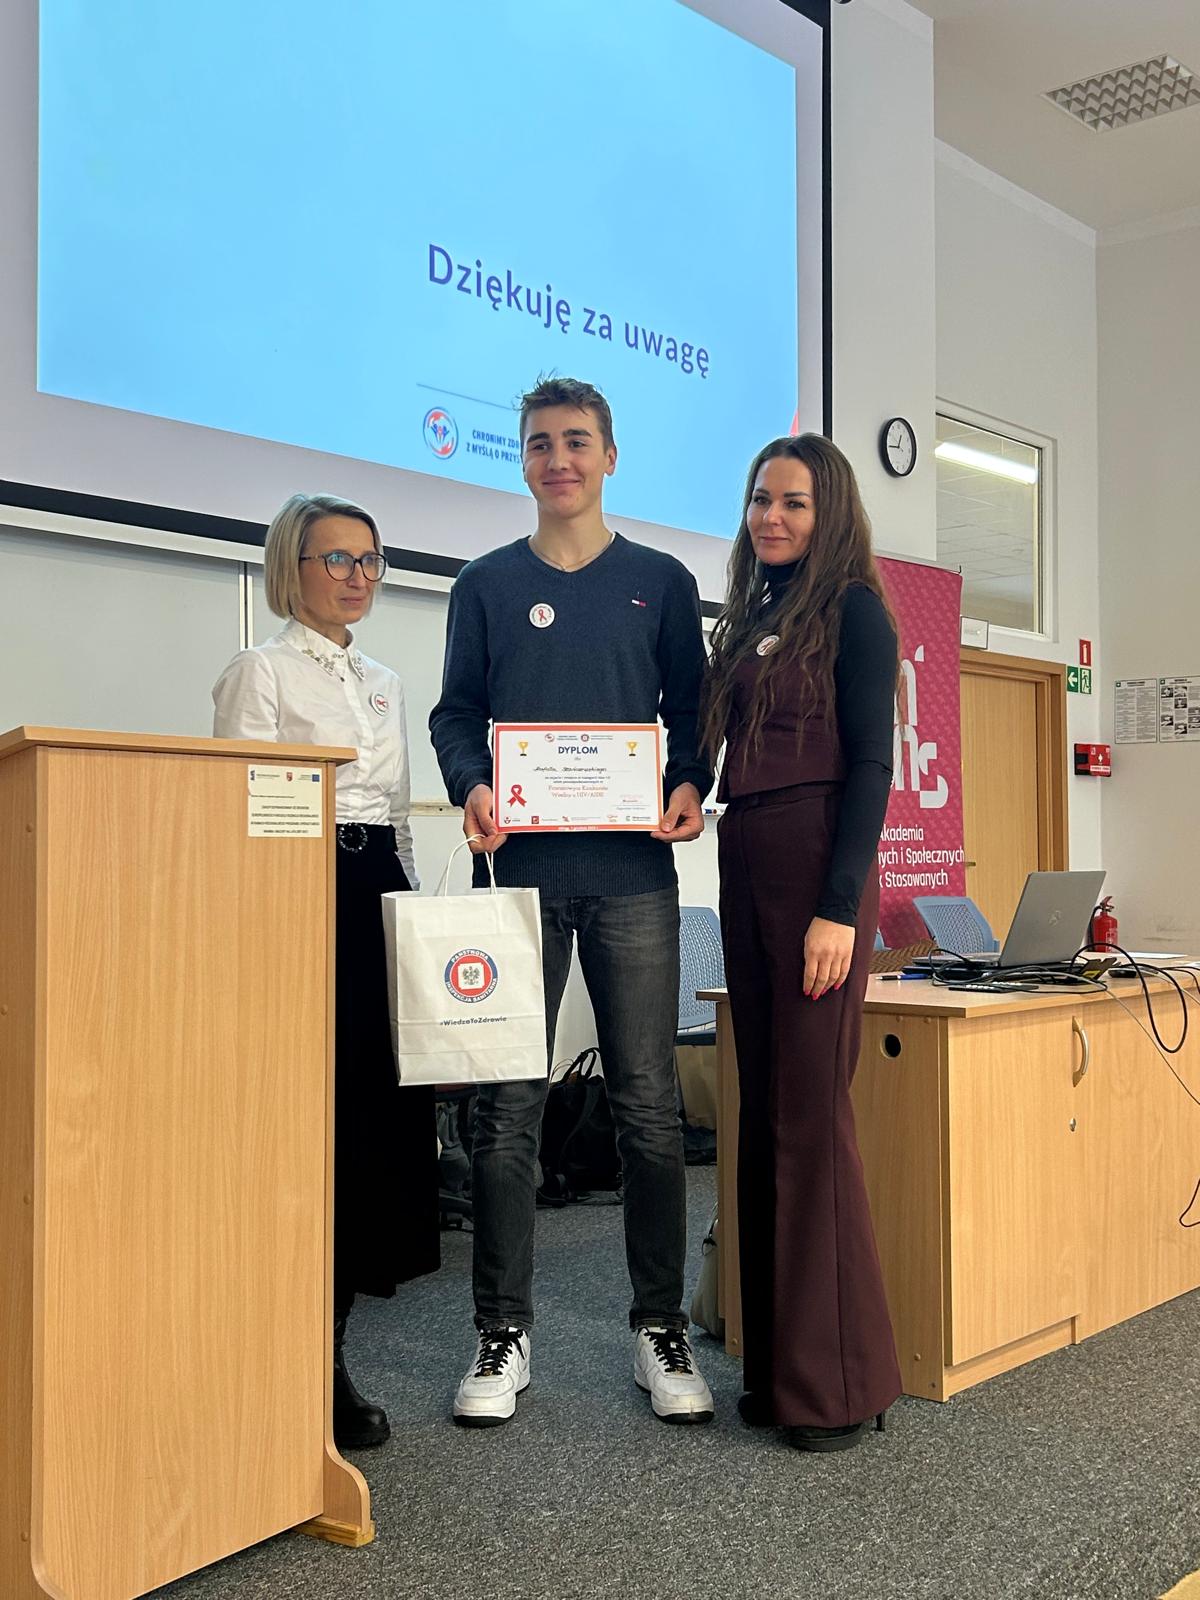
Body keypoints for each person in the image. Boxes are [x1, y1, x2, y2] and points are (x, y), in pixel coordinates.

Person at [429, 376, 714, 1428]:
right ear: (522, 458)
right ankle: (501, 1333)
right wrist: (472, 784)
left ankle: (658, 1328)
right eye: (541, 442)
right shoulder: (485, 584)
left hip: (635, 877)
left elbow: (693, 713)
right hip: (520, 882)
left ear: (610, 456)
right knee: (507, 1108)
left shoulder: (662, 581)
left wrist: (689, 782)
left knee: (647, 1108)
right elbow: (456, 714)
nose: (560, 459)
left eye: (578, 441)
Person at [212, 492, 439, 1450]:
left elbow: (394, 816)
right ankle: (282, 1356)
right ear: (291, 568)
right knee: (305, 1127)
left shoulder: (385, 682)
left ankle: (328, 1350)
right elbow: (239, 812)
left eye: (370, 560)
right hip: (300, 894)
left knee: (370, 1130)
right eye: (336, 559)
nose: (357, 576)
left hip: (377, 893)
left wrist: (412, 919)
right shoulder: (258, 671)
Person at [701, 433, 903, 1452]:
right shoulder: (752, 618)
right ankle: (781, 1373)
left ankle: (840, 1385)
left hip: (817, 863)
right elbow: (713, 746)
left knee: (812, 1120)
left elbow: (872, 767)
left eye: (793, 502)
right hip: (746, 856)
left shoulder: (855, 610)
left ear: (830, 513)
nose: (771, 517)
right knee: (766, 1116)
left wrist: (839, 906)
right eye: (759, 500)